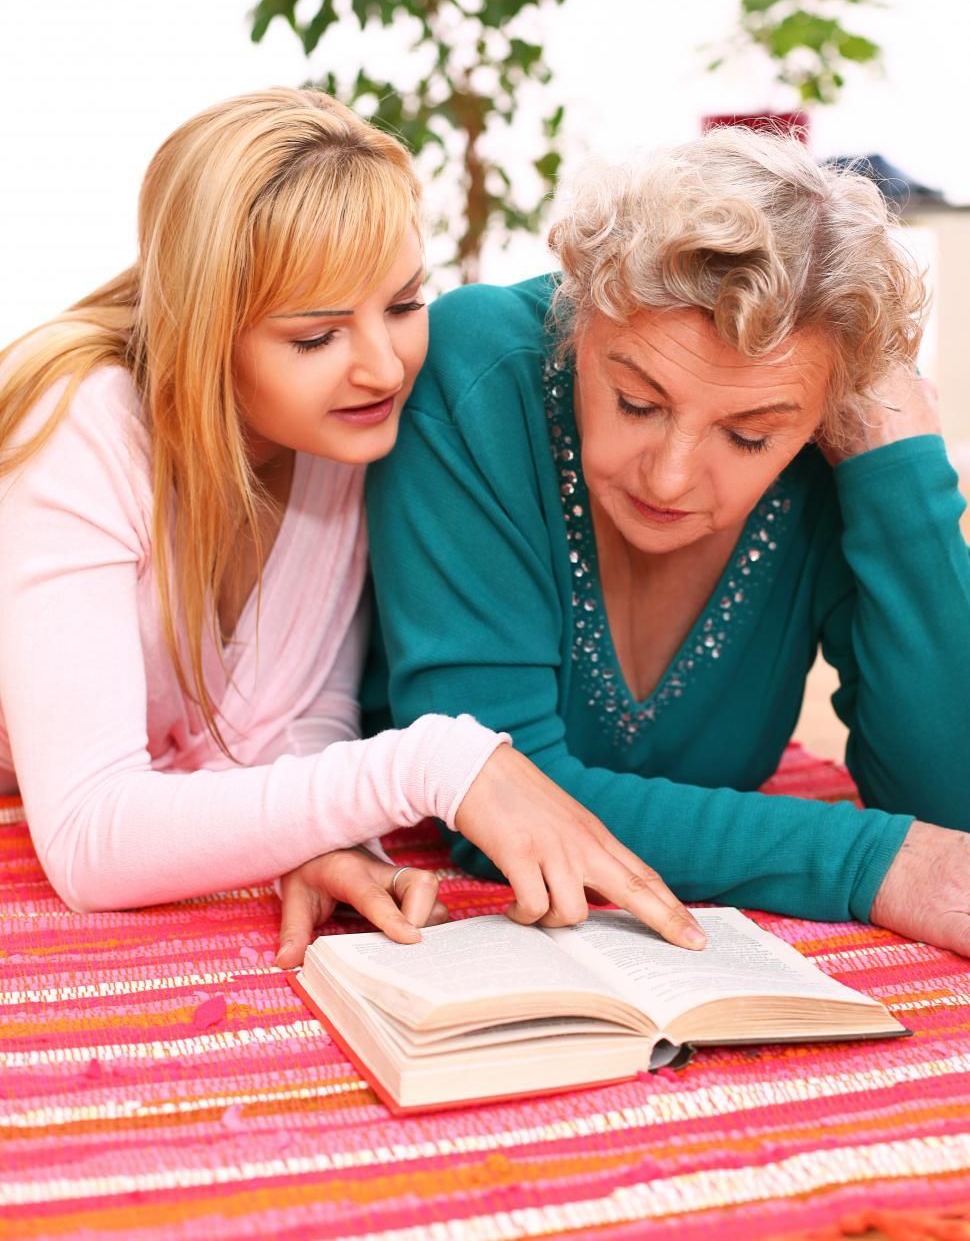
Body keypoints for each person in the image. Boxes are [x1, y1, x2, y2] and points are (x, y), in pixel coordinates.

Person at [0, 88, 706, 967]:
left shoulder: (336, 431)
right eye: (315, 335)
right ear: (204, 333)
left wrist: (326, 840)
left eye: (404, 305)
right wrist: (434, 764)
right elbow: (88, 840)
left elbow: (301, 717)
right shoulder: (81, 425)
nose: (382, 365)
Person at [366, 127, 970, 956]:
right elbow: (495, 801)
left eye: (751, 437)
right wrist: (864, 860)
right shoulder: (478, 377)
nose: (671, 478)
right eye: (638, 403)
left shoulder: (830, 445)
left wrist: (900, 473)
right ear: (577, 321)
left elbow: (951, 819)